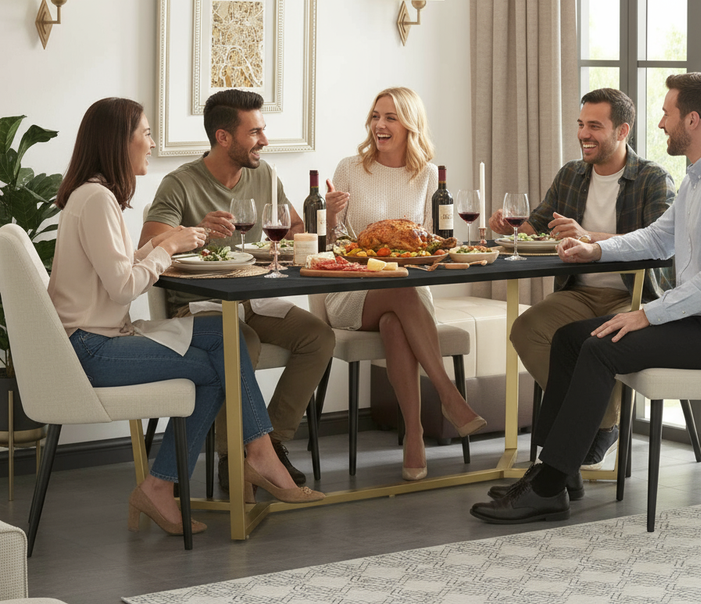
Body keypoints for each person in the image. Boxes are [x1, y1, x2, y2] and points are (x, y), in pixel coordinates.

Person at [471, 73, 701, 524]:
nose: (661, 124)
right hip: (699, 319)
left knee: (598, 347)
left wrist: (646, 315)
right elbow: (656, 238)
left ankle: (549, 486)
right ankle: (552, 470)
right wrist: (596, 250)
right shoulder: (698, 177)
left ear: (692, 120)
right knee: (571, 338)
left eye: (668, 114)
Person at [48, 98, 324, 537]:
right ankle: (231, 464)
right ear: (121, 142)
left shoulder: (93, 196)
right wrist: (167, 248)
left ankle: (247, 458)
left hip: (95, 339)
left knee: (221, 331)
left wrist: (169, 240)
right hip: (90, 347)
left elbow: (116, 271)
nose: (152, 144)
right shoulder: (97, 199)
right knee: (218, 369)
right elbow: (124, 288)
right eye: (146, 134)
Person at [140, 89, 335, 488]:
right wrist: (193, 233)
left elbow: (292, 229)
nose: (264, 140)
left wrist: (324, 216)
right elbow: (148, 247)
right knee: (238, 342)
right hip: (195, 307)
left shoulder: (264, 174)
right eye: (255, 132)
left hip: (252, 300)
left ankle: (269, 446)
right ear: (223, 137)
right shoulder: (179, 183)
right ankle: (233, 460)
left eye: (263, 130)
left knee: (318, 336)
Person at [486, 88, 675, 490]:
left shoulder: (653, 178)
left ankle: (564, 451)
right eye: (580, 124)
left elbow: (662, 243)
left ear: (622, 130)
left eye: (594, 126)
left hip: (633, 294)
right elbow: (535, 226)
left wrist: (591, 237)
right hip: (579, 291)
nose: (583, 134)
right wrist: (510, 228)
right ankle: (601, 424)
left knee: (592, 346)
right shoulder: (571, 174)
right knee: (526, 329)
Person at [325, 87, 486, 481]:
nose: (380, 125)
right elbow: (334, 244)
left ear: (410, 125)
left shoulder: (428, 175)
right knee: (396, 286)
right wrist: (328, 216)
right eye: (376, 116)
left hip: (410, 292)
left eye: (391, 118)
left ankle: (413, 436)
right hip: (354, 289)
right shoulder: (349, 168)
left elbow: (434, 243)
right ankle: (448, 396)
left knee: (396, 320)